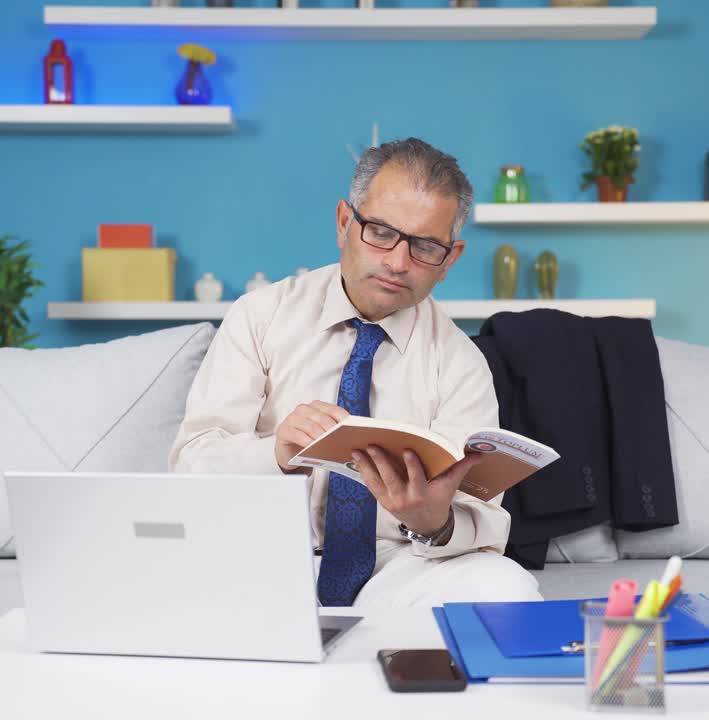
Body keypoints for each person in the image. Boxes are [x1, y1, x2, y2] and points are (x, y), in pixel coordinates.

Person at [168, 137, 541, 608]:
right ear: (345, 222)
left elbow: (483, 518)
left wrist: (434, 521)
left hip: (399, 564)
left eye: (425, 246)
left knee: (505, 587)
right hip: (261, 555)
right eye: (381, 232)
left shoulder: (461, 362)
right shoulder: (259, 317)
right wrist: (277, 454)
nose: (397, 262)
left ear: (450, 259)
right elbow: (190, 465)